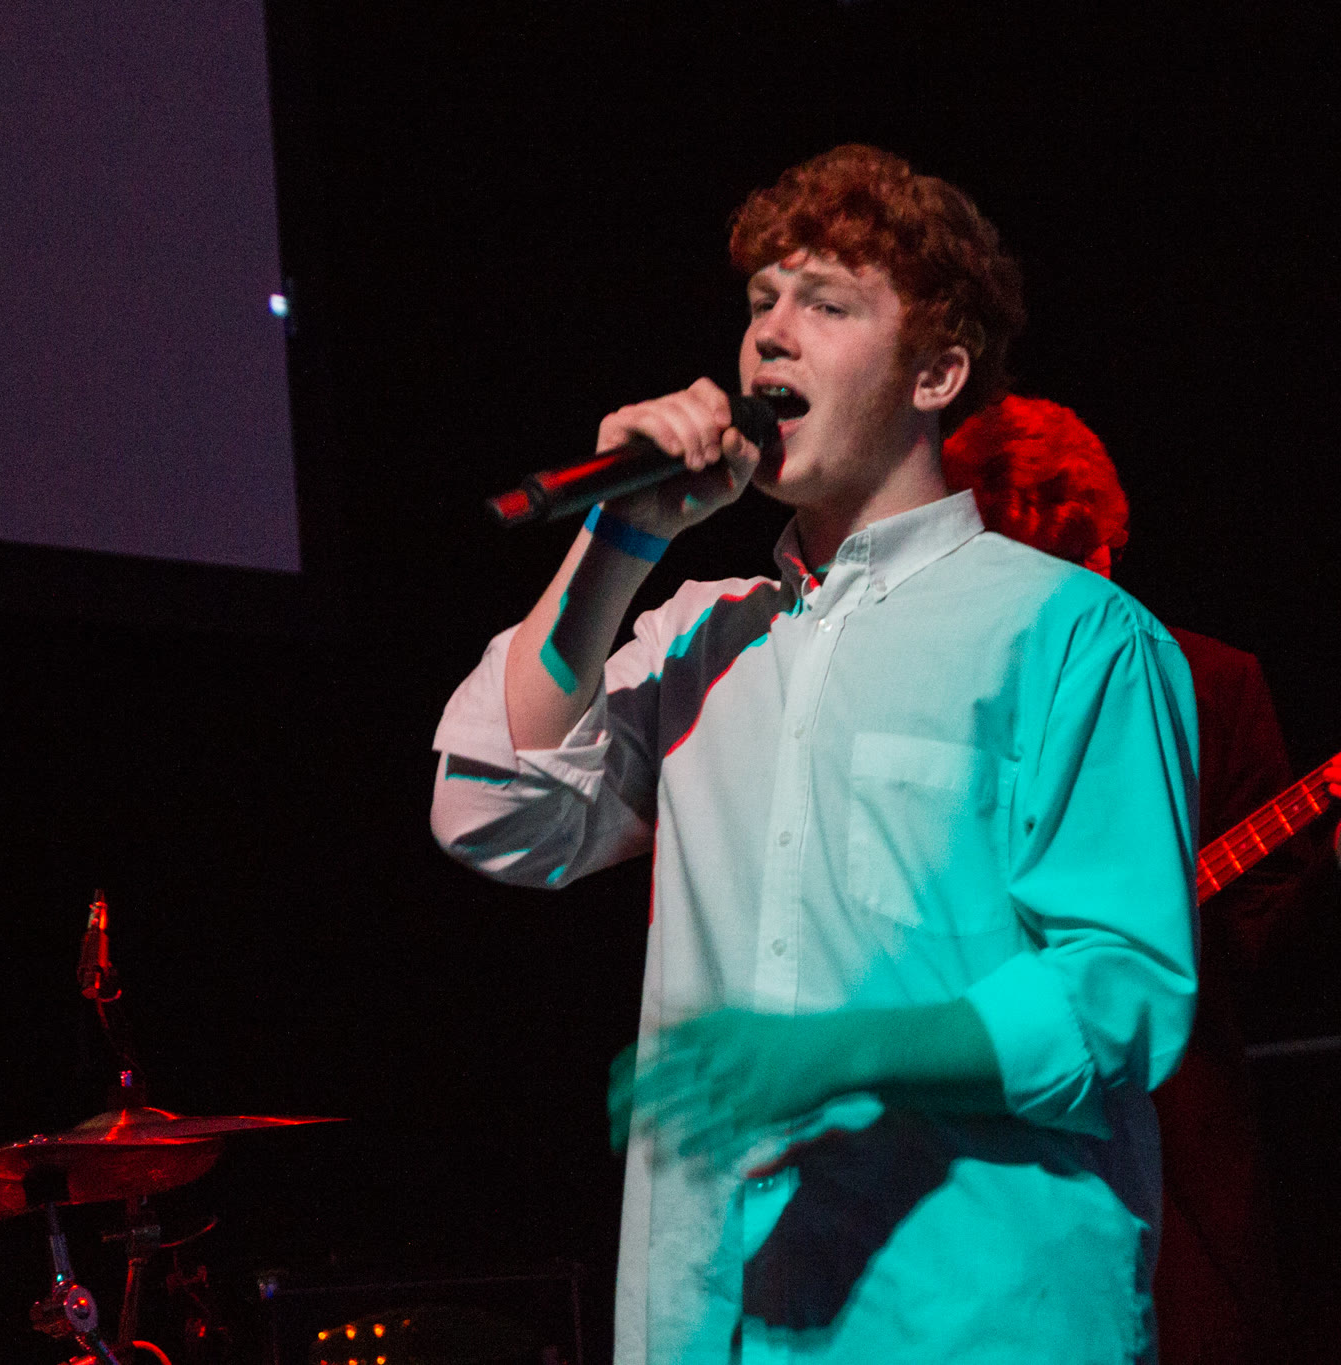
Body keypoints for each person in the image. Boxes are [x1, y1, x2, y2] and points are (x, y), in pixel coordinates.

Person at [432, 145, 1199, 1363]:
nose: (767, 338)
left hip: (972, 1320)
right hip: (714, 1315)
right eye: (759, 303)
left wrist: (842, 1050)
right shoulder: (700, 629)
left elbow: (1120, 993)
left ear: (936, 372)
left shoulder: (1068, 630)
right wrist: (622, 535)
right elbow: (499, 814)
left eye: (825, 305)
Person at [941, 394, 1341, 1364]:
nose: (1091, 589)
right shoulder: (927, 698)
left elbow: (1270, 949)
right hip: (959, 1173)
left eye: (1097, 557)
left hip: (1169, 1183)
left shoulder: (1211, 686)